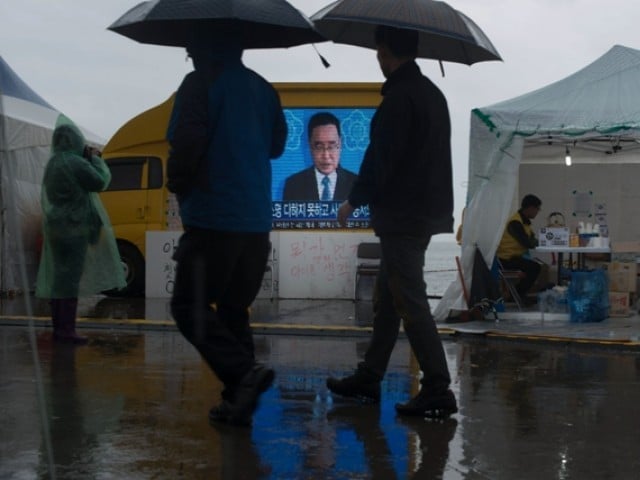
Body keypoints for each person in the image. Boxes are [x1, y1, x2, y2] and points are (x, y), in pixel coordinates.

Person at [327, 25, 458, 418]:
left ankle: (437, 386)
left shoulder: (400, 98)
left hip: (403, 214)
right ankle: (369, 377)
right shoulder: (432, 95)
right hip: (422, 212)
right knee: (388, 298)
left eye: (378, 53)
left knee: (410, 301)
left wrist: (355, 198)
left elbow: (382, 156)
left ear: (384, 51)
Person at [167, 29, 287, 427]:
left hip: (213, 217)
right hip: (256, 223)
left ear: (203, 48)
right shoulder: (264, 89)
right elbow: (276, 146)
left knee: (188, 305)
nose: (188, 54)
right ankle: (239, 400)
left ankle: (244, 375)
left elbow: (186, 144)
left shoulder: (199, 83)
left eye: (190, 49)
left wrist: (179, 185)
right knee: (234, 309)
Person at [36, 114, 126, 344]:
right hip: (74, 228)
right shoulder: (75, 163)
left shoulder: (52, 164)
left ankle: (59, 328)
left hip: (56, 227)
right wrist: (96, 160)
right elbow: (99, 182)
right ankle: (66, 331)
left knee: (59, 279)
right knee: (71, 280)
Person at [282, 112, 357, 201]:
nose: (326, 155)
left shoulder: (357, 185)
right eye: (319, 147)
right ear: (310, 146)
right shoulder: (293, 185)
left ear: (340, 144)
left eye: (331, 146)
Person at [496, 194, 543, 301]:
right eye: (537, 209)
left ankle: (517, 294)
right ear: (531, 208)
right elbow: (527, 242)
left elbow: (532, 239)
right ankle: (517, 296)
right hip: (504, 260)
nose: (537, 212)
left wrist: (541, 242)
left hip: (514, 257)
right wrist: (542, 242)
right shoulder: (515, 223)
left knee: (534, 266)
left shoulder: (525, 222)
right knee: (534, 267)